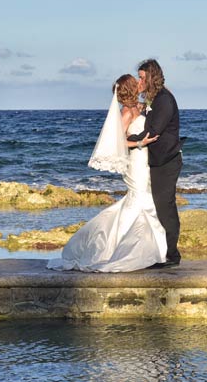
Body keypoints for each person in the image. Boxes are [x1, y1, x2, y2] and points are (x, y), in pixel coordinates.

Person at [47, 75, 167, 272]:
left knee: (145, 199)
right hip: (135, 161)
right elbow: (117, 142)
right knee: (140, 199)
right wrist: (139, 143)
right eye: (136, 82)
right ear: (130, 87)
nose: (140, 83)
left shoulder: (142, 107)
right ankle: (126, 249)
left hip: (145, 160)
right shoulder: (126, 112)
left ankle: (150, 250)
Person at [128, 58, 183, 268]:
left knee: (165, 206)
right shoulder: (153, 99)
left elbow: (153, 132)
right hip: (154, 161)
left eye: (142, 77)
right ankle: (158, 251)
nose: (138, 81)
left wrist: (126, 142)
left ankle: (172, 255)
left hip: (167, 161)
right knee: (156, 206)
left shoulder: (164, 100)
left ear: (151, 77)